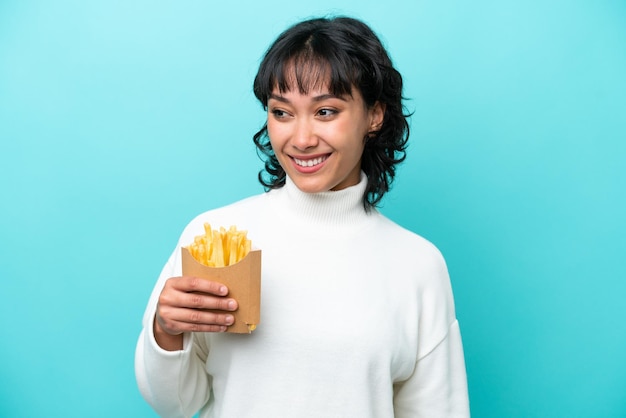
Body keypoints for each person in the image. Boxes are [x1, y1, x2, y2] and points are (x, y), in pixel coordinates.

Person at [135, 16, 470, 417]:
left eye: (326, 111)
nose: (302, 138)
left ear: (375, 115)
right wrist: (166, 332)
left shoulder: (418, 265)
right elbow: (173, 404)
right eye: (282, 112)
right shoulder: (215, 238)